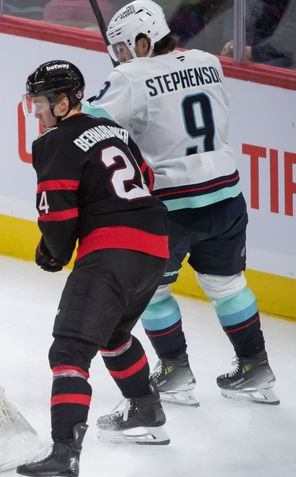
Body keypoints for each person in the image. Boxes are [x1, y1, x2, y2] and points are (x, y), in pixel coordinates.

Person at [86, 0, 278, 407]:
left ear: (143, 41)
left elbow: (89, 121)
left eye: (122, 48)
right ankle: (255, 366)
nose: (119, 57)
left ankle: (175, 372)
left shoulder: (130, 76)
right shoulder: (209, 62)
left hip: (171, 206)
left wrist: (115, 82)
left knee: (153, 290)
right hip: (225, 196)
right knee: (227, 285)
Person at [15, 60, 171, 477]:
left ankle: (62, 458)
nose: (37, 114)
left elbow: (59, 215)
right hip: (155, 245)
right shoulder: (115, 131)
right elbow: (147, 180)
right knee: (114, 332)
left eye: (41, 105)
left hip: (112, 251)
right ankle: (145, 410)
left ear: (64, 103)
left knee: (69, 347)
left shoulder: (54, 142)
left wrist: (53, 253)